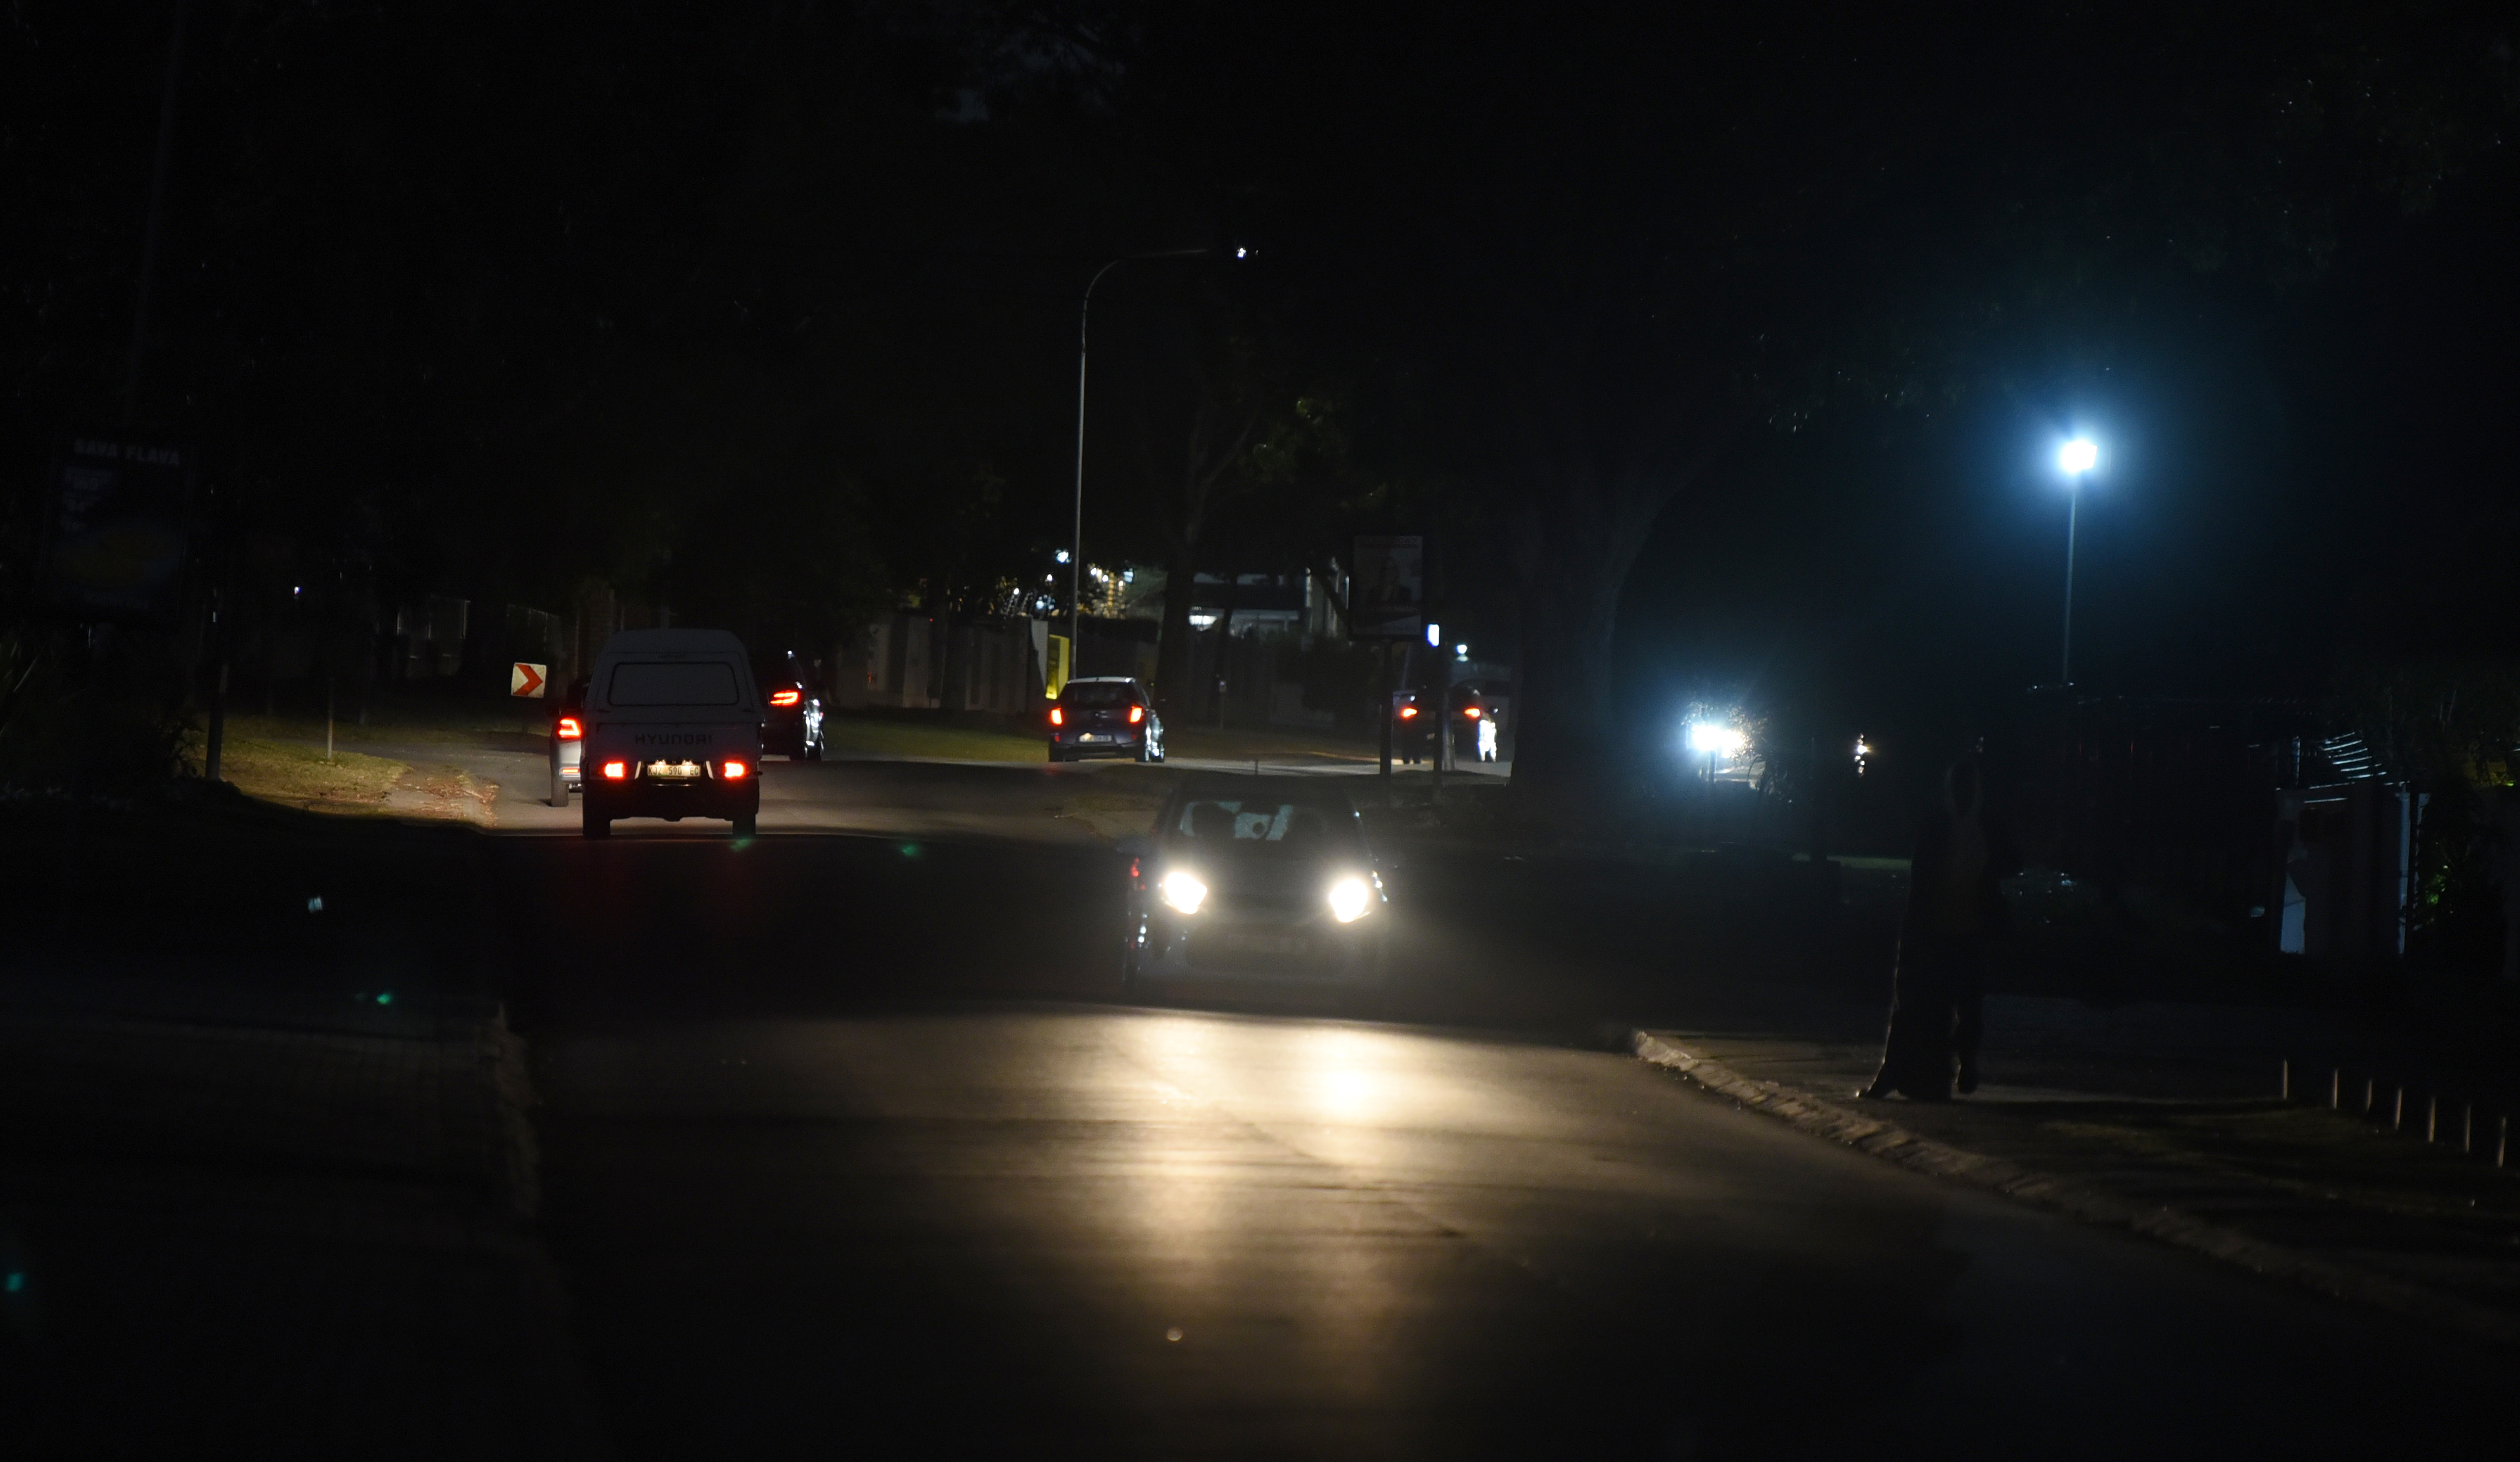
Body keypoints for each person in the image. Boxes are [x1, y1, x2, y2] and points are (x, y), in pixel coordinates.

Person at [1860, 756, 2018, 1101]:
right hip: (1940, 929)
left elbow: (2011, 861)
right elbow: (1921, 879)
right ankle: (1923, 1070)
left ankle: (1962, 1062)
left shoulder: (1981, 826)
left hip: (1969, 929)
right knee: (1935, 1002)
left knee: (1967, 1005)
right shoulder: (1940, 826)